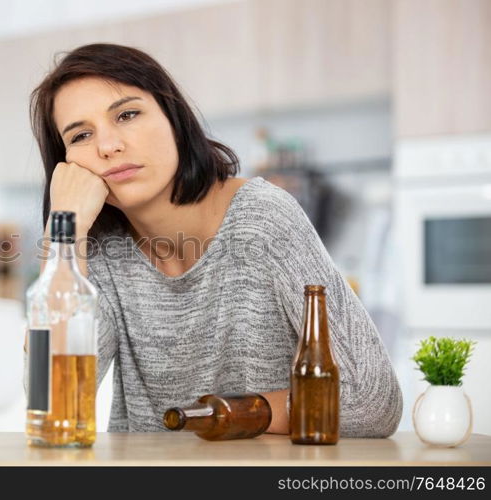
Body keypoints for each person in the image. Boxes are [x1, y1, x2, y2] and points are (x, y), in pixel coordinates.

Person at [27, 43, 403, 437]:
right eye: (81, 135)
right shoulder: (93, 251)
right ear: (66, 164)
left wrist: (231, 414)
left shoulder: (263, 217)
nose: (108, 146)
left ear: (174, 119)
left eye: (127, 114)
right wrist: (62, 231)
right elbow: (51, 408)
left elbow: (372, 401)